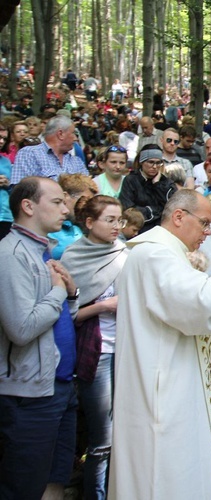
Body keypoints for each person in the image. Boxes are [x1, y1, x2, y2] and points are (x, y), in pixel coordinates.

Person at [109, 190, 211, 499]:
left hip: (171, 375)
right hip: (163, 386)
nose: (209, 233)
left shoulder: (164, 253)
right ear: (179, 216)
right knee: (165, 473)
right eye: (205, 223)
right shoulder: (155, 254)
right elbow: (197, 303)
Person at [0, 177, 80, 500]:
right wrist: (59, 294)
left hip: (56, 385)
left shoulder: (41, 251)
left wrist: (71, 294)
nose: (66, 209)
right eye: (57, 202)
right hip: (26, 395)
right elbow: (21, 329)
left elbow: (57, 321)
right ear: (28, 206)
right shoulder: (11, 255)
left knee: (50, 482)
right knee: (22, 488)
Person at [60, 195, 128, 500]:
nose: (117, 226)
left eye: (120, 220)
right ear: (89, 223)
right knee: (102, 437)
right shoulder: (72, 257)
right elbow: (65, 315)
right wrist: (102, 306)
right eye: (110, 220)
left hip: (127, 351)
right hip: (96, 353)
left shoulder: (125, 252)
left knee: (125, 433)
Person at [11, 116, 89, 185]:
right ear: (60, 134)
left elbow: (88, 189)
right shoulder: (29, 154)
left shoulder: (77, 161)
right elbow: (20, 191)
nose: (75, 138)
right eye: (73, 133)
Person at [119, 145, 177, 233]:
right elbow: (129, 211)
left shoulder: (167, 183)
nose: (155, 166)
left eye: (158, 163)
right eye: (151, 162)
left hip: (162, 231)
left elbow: (172, 209)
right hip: (138, 231)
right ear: (142, 162)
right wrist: (155, 211)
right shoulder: (130, 180)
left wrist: (157, 185)